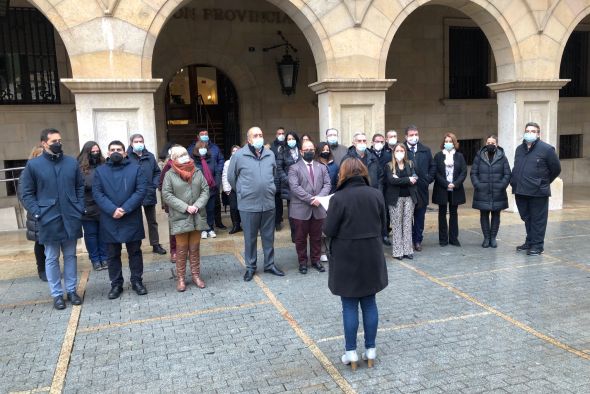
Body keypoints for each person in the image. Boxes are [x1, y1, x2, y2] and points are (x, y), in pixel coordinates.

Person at [324, 158, 388, 370]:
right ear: (362, 172)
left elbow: (328, 230)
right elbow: (383, 225)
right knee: (369, 303)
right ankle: (370, 350)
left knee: (349, 305)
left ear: (342, 174)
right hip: (371, 255)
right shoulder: (376, 194)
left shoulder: (339, 198)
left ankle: (350, 352)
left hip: (346, 257)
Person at [19, 128, 85, 310]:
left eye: (60, 140)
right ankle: (57, 294)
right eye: (54, 141)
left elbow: (80, 186)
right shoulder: (33, 166)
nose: (58, 144)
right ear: (44, 143)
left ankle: (72, 291)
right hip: (48, 218)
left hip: (70, 216)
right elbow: (26, 193)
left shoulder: (71, 163)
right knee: (51, 257)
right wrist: (37, 212)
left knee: (71, 255)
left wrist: (78, 207)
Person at [227, 126, 285, 281]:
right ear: (249, 139)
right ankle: (251, 267)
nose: (259, 137)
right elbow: (231, 177)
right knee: (250, 238)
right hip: (248, 204)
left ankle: (269, 264)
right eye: (255, 135)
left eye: (261, 134)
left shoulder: (270, 154)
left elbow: (273, 175)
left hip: (268, 203)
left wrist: (271, 189)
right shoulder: (239, 156)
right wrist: (242, 191)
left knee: (268, 237)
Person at [93, 140, 148, 299]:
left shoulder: (136, 169)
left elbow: (141, 190)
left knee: (135, 252)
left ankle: (137, 281)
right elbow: (98, 194)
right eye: (112, 149)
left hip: (131, 217)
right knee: (112, 254)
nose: (115, 151)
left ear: (125, 152)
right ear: (108, 153)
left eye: (119, 149)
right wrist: (112, 210)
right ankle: (116, 284)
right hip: (110, 218)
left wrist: (124, 209)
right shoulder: (100, 171)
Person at [162, 146, 210, 291]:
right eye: (180, 155)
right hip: (180, 216)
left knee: (195, 249)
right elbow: (167, 194)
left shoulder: (197, 171)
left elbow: (205, 190)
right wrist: (185, 207)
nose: (184, 157)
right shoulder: (169, 175)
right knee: (181, 250)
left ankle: (196, 275)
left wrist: (197, 205)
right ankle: (181, 278)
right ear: (173, 159)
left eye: (185, 154)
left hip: (197, 215)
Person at [511, 122, 561, 256]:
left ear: (538, 134)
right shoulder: (519, 149)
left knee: (538, 219)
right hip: (520, 190)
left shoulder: (547, 149)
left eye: (533, 131)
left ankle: (538, 246)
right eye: (527, 131)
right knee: (527, 218)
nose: (530, 133)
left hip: (538, 192)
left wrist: (543, 182)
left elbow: (556, 169)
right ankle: (530, 241)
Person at [288, 140, 331, 274]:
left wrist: (319, 198)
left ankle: (316, 260)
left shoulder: (322, 167)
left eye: (311, 149)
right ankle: (302, 262)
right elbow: (294, 187)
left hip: (318, 208)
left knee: (317, 237)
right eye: (306, 150)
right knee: (300, 238)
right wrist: (310, 199)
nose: (309, 152)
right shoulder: (294, 168)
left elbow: (327, 185)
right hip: (301, 209)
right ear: (301, 152)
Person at [127, 133, 166, 255]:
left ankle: (155, 244)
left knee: (152, 221)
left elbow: (157, 172)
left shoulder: (150, 156)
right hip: (133, 194)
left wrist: (154, 185)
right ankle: (135, 246)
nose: (139, 144)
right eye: (136, 141)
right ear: (131, 143)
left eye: (141, 141)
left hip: (148, 192)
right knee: (134, 221)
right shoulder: (127, 157)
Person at [470, 135, 512, 248]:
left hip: (498, 191)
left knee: (496, 215)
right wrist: (478, 185)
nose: (490, 145)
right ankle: (486, 238)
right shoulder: (479, 156)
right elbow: (473, 173)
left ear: (496, 144)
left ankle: (493, 238)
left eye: (492, 143)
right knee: (484, 214)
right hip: (482, 191)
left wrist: (501, 186)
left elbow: (507, 174)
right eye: (488, 142)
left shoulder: (502, 157)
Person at [385, 143, 419, 260]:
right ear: (393, 152)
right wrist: (408, 179)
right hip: (395, 199)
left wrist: (401, 179)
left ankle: (408, 250)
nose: (400, 153)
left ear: (405, 152)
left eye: (402, 150)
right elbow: (391, 181)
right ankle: (398, 251)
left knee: (407, 224)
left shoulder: (410, 164)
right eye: (397, 150)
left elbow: (415, 178)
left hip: (409, 198)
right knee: (397, 225)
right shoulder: (389, 166)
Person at [433, 133, 467, 247]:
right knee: (442, 214)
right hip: (441, 188)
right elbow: (436, 172)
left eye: (450, 141)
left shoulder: (459, 156)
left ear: (454, 143)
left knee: (454, 213)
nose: (448, 143)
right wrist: (446, 184)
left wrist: (455, 184)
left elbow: (463, 172)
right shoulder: (438, 156)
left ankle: (453, 238)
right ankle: (443, 239)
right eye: (446, 141)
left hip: (455, 189)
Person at [77, 141, 108, 271]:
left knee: (103, 233)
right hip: (87, 205)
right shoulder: (79, 168)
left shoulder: (104, 164)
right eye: (92, 152)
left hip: (102, 205)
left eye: (97, 151)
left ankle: (104, 257)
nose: (95, 154)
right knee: (91, 234)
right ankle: (95, 259)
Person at [404, 125, 435, 251]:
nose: (414, 137)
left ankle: (418, 240)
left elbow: (433, 166)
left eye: (416, 134)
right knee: (407, 217)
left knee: (419, 217)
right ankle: (409, 240)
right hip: (406, 189)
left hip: (422, 189)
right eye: (411, 135)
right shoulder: (401, 149)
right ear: (406, 136)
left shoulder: (425, 150)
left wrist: (428, 179)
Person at [188, 129, 226, 230]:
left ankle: (216, 224)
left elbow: (220, 160)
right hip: (200, 187)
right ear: (197, 136)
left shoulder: (214, 148)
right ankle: (203, 228)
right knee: (202, 208)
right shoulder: (192, 149)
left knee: (214, 206)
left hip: (212, 183)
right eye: (202, 134)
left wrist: (217, 172)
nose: (204, 136)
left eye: (206, 134)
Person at [20, 145, 47, 282]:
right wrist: (36, 210)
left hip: (50, 212)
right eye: (39, 155)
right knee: (40, 242)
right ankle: (42, 269)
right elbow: (23, 195)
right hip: (37, 214)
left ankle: (50, 268)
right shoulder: (28, 172)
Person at [192, 140, 220, 239]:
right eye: (200, 148)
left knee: (211, 210)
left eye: (204, 148)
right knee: (201, 211)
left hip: (211, 189)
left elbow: (216, 172)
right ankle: (203, 229)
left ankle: (210, 228)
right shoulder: (193, 161)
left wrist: (216, 184)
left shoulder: (211, 159)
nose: (202, 150)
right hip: (199, 191)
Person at [277, 131, 302, 241]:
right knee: (292, 213)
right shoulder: (283, 152)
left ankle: (302, 233)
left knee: (303, 211)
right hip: (289, 187)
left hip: (303, 185)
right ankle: (294, 235)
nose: (291, 141)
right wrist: (288, 180)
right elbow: (279, 168)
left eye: (293, 138)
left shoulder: (301, 151)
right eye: (289, 139)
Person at [369, 132, 392, 246]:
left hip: (386, 187)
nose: (379, 143)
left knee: (385, 212)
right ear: (372, 142)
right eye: (377, 141)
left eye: (381, 142)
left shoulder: (388, 155)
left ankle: (385, 234)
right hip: (373, 187)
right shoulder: (369, 155)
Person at [222, 145, 242, 234]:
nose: (235, 152)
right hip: (232, 189)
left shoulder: (244, 161)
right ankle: (235, 225)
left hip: (242, 188)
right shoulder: (227, 163)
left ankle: (243, 224)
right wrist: (227, 189)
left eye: (237, 150)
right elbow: (225, 176)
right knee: (233, 208)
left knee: (242, 208)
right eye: (233, 150)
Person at [270, 127, 286, 231]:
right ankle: (277, 221)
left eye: (282, 133)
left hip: (285, 175)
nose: (281, 135)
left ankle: (281, 218)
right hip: (276, 176)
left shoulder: (287, 145)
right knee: (277, 200)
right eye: (279, 133)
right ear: (276, 135)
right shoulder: (272, 146)